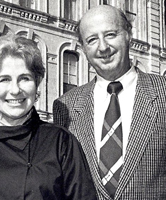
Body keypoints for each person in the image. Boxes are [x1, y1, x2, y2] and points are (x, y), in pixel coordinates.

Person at [53, 5, 166, 200]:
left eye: (111, 34)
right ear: (83, 48)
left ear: (128, 34)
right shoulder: (66, 107)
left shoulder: (162, 92)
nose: (103, 47)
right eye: (92, 40)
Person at [0, 35, 98, 200]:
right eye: (4, 79)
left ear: (37, 86)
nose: (15, 90)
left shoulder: (61, 143)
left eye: (24, 79)